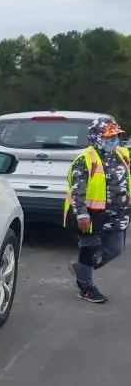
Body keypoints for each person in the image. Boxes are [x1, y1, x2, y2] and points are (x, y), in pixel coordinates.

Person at [64, 117, 130, 303]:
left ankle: (80, 269)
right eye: (108, 137)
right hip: (92, 214)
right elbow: (77, 191)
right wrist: (81, 214)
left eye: (115, 136)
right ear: (95, 137)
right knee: (89, 248)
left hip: (118, 213)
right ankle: (85, 287)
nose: (113, 140)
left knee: (115, 249)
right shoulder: (85, 160)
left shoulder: (122, 154)